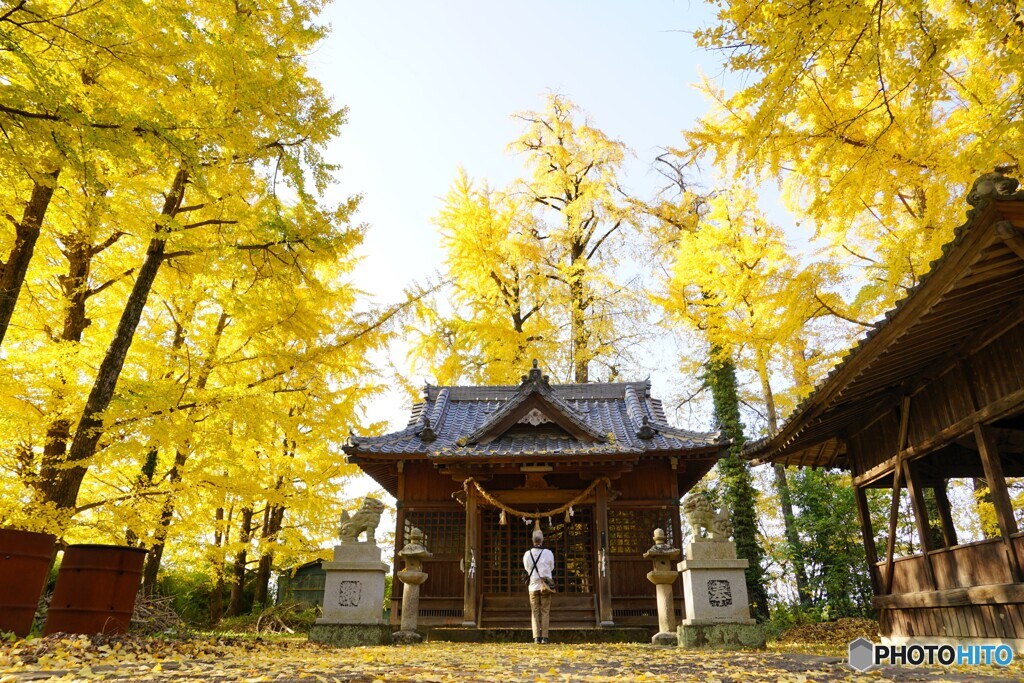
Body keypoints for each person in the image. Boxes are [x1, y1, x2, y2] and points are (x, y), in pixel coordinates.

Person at [523, 529, 554, 644]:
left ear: (532, 540)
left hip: (533, 585)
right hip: (545, 585)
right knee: (545, 611)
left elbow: (527, 569)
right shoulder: (548, 553)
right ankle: (545, 637)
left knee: (535, 611)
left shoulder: (527, 554)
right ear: (542, 540)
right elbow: (552, 567)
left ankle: (536, 637)